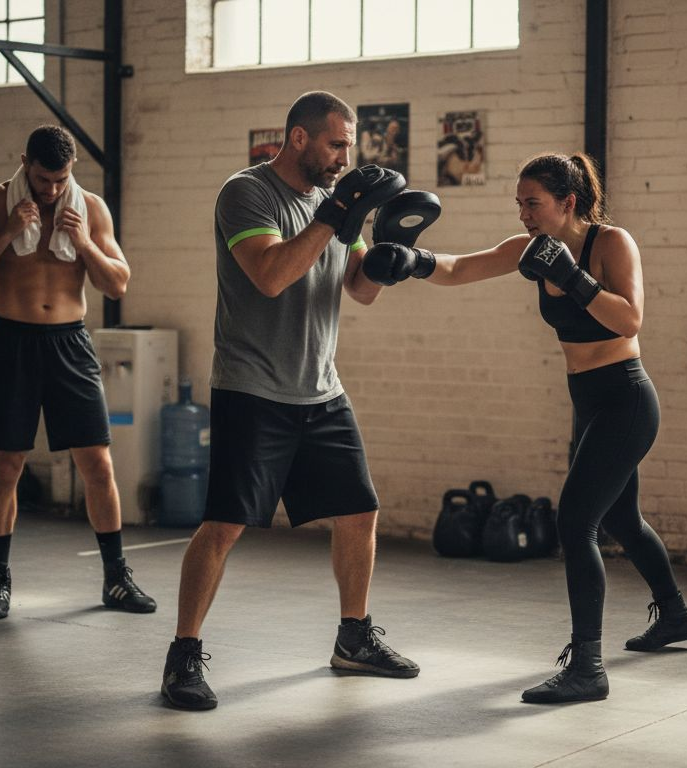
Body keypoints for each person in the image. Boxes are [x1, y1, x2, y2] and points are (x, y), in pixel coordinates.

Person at [361, 152, 687, 704]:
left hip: (627, 399)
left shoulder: (612, 244)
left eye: (533, 203)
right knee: (621, 518)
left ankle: (587, 667)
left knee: (576, 522)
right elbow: (461, 268)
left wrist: (572, 276)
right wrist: (412, 260)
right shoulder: (529, 249)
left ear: (568, 202)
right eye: (519, 203)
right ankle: (676, 614)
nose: (523, 214)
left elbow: (630, 319)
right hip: (588, 403)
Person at [160, 91, 417, 711]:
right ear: (299, 138)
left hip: (321, 387)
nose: (345, 157)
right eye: (336, 144)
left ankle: (353, 639)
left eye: (350, 146)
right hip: (253, 387)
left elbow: (360, 291)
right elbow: (272, 275)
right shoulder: (247, 193)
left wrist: (389, 252)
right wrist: (336, 212)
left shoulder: (336, 205)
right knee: (224, 525)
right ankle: (183, 656)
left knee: (358, 512)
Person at [0, 125, 155, 620]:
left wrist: (83, 243)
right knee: (6, 466)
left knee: (98, 464)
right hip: (12, 342)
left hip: (70, 342)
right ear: (25, 163)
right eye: (43, 179)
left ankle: (116, 578)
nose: (53, 189)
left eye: (61, 180)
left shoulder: (90, 209)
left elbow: (117, 284)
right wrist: (7, 232)